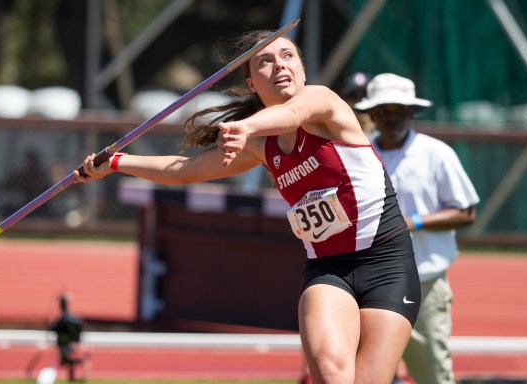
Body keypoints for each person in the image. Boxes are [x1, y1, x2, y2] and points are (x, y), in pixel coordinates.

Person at [74, 30, 420, 383]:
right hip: (328, 269)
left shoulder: (322, 101)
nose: (279, 65)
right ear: (251, 82)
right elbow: (185, 170)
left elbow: (293, 114)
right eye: (265, 61)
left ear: (302, 70)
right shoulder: (260, 145)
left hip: (387, 263)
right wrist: (117, 162)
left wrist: (243, 127)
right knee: (331, 374)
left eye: (288, 56)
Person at [354, 73, 480, 384]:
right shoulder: (358, 155)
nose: (391, 118)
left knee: (431, 374)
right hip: (368, 278)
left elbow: (466, 212)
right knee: (368, 372)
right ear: (371, 114)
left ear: (411, 112)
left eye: (398, 110)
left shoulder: (436, 153)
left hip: (424, 280)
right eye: (382, 111)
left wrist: (415, 222)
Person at [50, 293, 86, 382]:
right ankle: (76, 375)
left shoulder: (62, 320)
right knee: (70, 360)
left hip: (65, 344)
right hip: (69, 344)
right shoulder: (73, 320)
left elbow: (54, 329)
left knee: (68, 360)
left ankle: (76, 375)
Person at [340, 72, 375, 136]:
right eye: (354, 96)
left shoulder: (386, 136)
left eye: (365, 95)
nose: (360, 100)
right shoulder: (335, 135)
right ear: (345, 101)